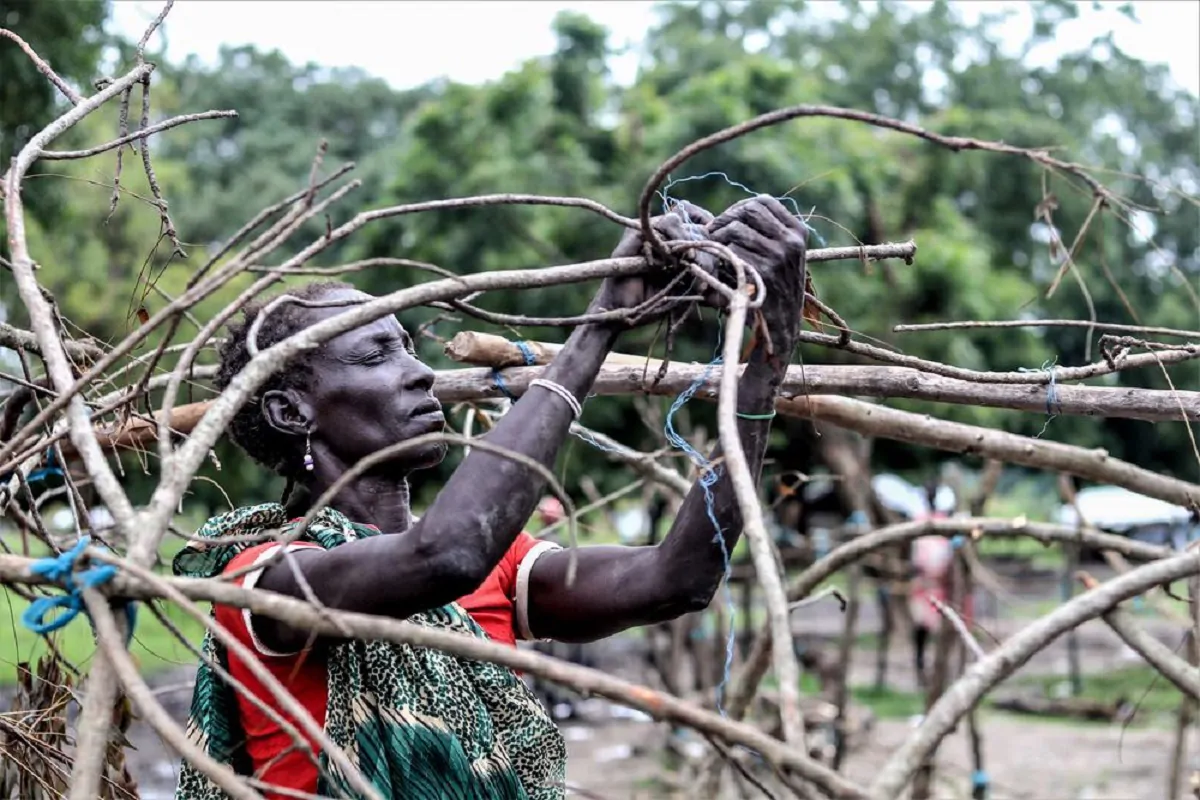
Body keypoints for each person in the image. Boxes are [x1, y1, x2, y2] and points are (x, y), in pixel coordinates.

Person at [172, 195, 809, 800]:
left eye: (411, 349)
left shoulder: (501, 565)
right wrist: (597, 329)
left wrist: (764, 368)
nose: (419, 372)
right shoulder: (265, 578)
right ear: (291, 411)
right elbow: (445, 556)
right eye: (375, 354)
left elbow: (677, 579)